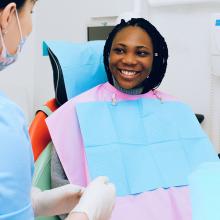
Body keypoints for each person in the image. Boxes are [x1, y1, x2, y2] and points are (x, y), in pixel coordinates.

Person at [47, 18, 219, 220]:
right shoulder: (77, 110)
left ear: (155, 58)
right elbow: (61, 187)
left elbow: (209, 179)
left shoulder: (176, 110)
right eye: (119, 50)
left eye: (141, 53)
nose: (129, 60)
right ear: (108, 54)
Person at [0, 1, 116, 219]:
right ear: (8, 16)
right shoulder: (6, 121)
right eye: (31, 12)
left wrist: (35, 202)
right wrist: (86, 213)